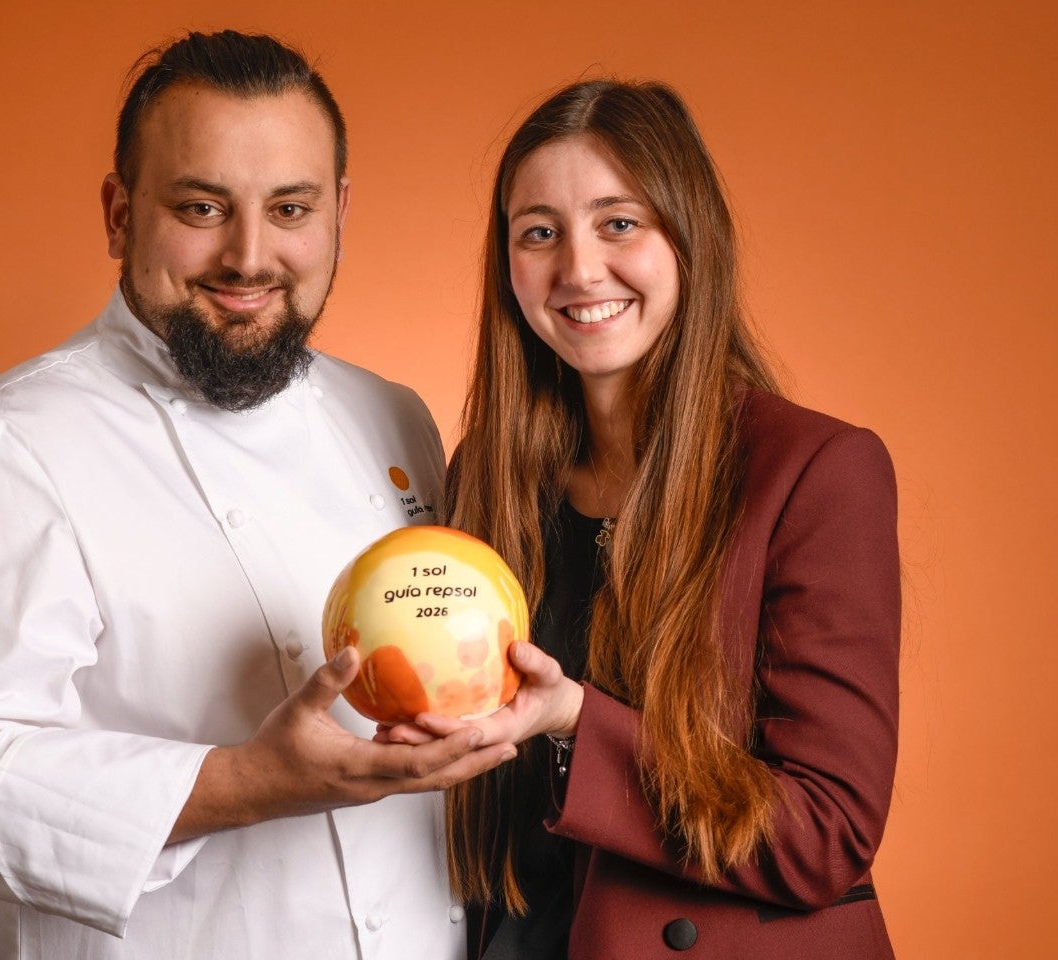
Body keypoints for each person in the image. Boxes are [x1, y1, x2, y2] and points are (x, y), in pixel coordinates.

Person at [0, 30, 512, 960]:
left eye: (290, 207)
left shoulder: (392, 418)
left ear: (339, 213)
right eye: (203, 206)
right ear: (120, 215)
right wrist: (250, 780)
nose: (249, 257)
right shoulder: (5, 453)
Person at [383, 80, 901, 958]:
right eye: (538, 232)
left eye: (619, 222)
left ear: (689, 239)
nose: (580, 270)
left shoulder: (817, 472)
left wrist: (577, 719)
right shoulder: (493, 475)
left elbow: (827, 831)